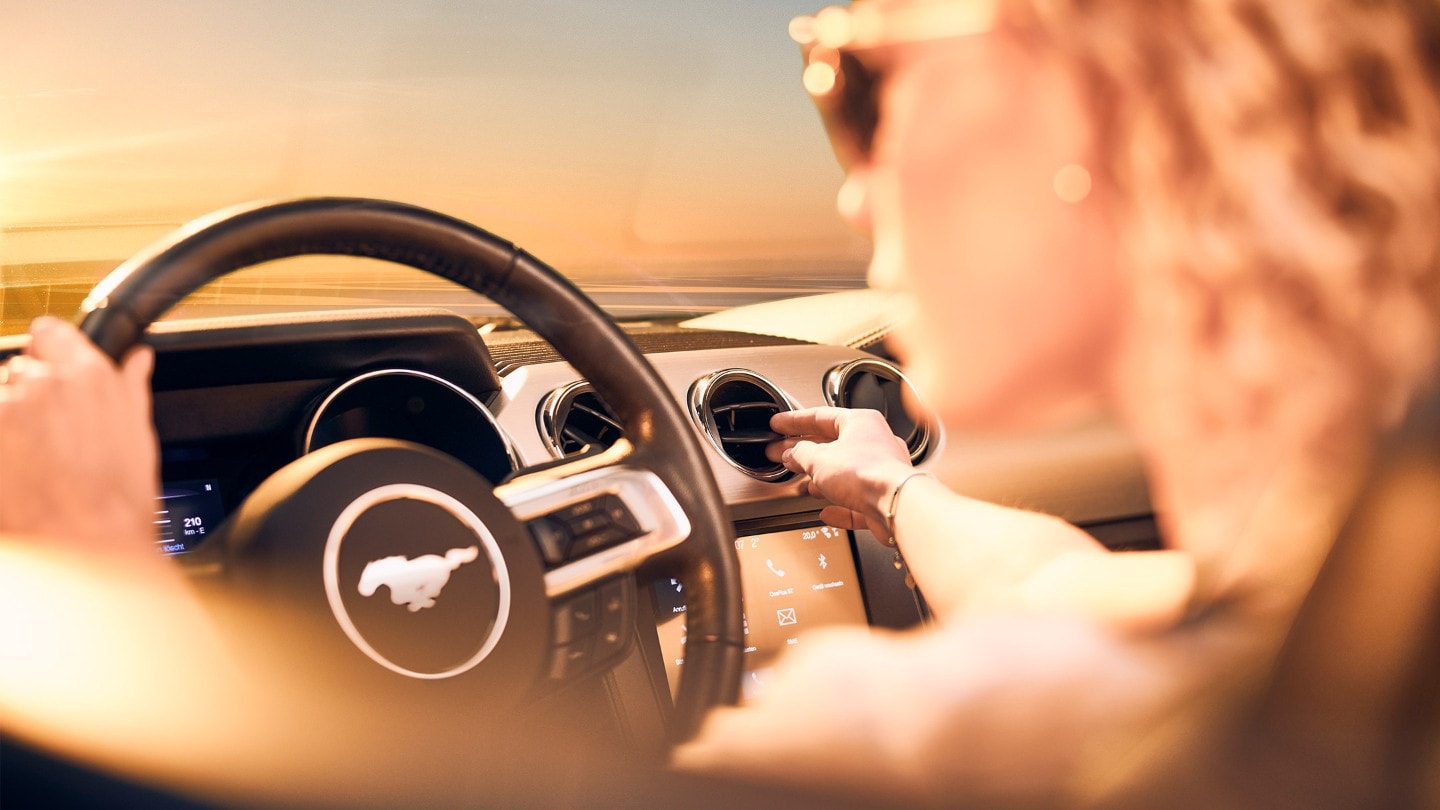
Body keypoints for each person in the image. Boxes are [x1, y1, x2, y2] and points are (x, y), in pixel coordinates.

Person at [674, 0, 1440, 804]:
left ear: (1111, 98)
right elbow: (1056, 593)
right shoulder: (1347, 584)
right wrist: (891, 488)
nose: (855, 198)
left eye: (861, 86)